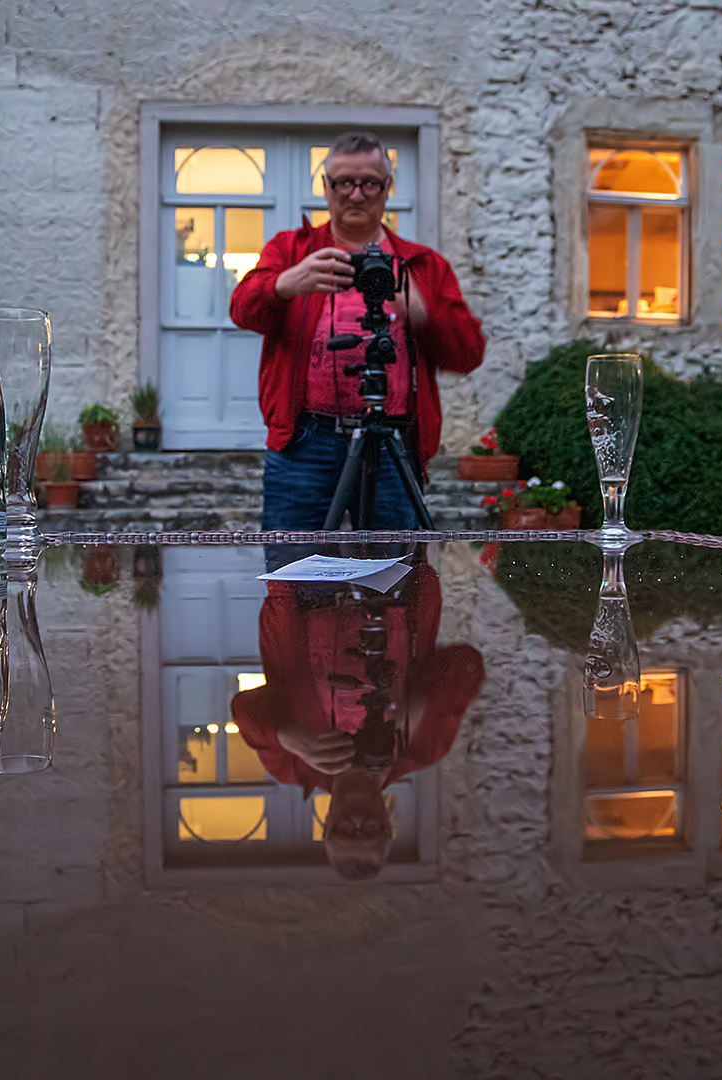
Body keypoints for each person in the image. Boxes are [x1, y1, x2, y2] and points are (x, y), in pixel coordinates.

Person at [229, 130, 485, 530]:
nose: (356, 194)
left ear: (388, 189)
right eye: (344, 182)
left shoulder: (422, 265)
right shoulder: (292, 251)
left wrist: (423, 314)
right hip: (305, 441)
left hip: (393, 439)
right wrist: (283, 284)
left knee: (398, 577)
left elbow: (469, 354)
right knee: (292, 573)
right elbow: (242, 311)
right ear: (326, 187)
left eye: (369, 183)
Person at [231, 561, 484, 879]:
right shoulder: (421, 750)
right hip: (396, 585)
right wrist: (418, 705)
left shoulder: (291, 767)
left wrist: (287, 736)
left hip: (300, 585)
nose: (357, 822)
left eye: (344, 832)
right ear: (388, 826)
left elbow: (243, 709)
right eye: (370, 831)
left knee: (294, 515)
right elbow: (468, 665)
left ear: (325, 826)